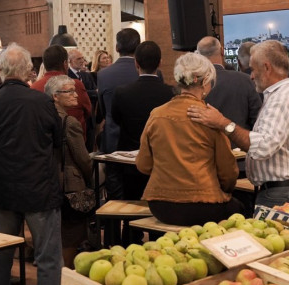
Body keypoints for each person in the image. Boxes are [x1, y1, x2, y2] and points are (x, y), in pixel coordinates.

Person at [0, 43, 63, 285]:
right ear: (28, 71)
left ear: (0, 71)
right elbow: (58, 140)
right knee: (48, 259)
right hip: (39, 188)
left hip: (1, 189)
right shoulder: (42, 102)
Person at [187, 40, 289, 208]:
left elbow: (263, 147)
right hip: (287, 190)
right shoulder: (281, 95)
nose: (252, 75)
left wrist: (222, 122)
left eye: (254, 69)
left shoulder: (282, 99)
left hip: (284, 193)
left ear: (267, 67)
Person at [136, 53, 240, 225]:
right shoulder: (210, 118)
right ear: (206, 83)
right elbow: (227, 173)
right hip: (203, 204)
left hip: (160, 205)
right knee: (241, 209)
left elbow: (143, 165)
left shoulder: (157, 114)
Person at [111, 41, 174, 205]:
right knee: (159, 208)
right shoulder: (172, 93)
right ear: (160, 63)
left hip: (130, 161)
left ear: (136, 63)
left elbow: (116, 120)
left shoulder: (122, 93)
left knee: (131, 206)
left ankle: (131, 231)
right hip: (163, 161)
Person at [45, 75, 93, 266]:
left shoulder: (45, 117)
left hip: (48, 181)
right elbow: (82, 158)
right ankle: (67, 276)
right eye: (69, 91)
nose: (76, 95)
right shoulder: (69, 122)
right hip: (70, 183)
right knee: (71, 234)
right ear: (55, 96)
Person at [98, 28, 142, 202]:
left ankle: (113, 229)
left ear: (116, 47)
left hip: (113, 140)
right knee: (139, 194)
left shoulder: (104, 74)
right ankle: (135, 229)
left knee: (115, 193)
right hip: (141, 142)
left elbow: (103, 110)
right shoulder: (149, 72)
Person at [197, 37, 262, 139]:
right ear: (222, 51)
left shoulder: (194, 85)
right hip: (240, 149)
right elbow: (258, 121)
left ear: (198, 55)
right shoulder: (245, 80)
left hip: (205, 150)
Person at [32, 45, 92, 144]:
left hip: (44, 145)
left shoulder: (34, 87)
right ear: (65, 64)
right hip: (74, 145)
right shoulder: (75, 85)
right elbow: (88, 111)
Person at [67, 49, 98, 152]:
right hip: (76, 119)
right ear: (70, 61)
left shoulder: (86, 75)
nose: (82, 61)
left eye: (82, 58)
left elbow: (96, 94)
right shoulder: (66, 76)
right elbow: (91, 92)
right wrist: (90, 93)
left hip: (89, 119)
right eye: (78, 58)